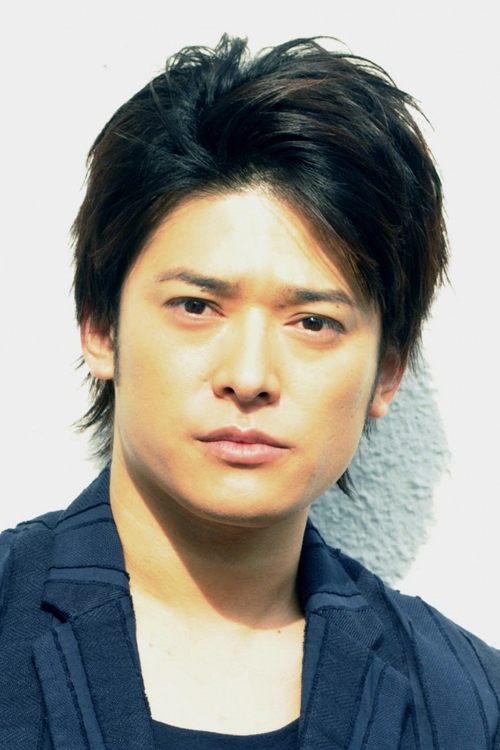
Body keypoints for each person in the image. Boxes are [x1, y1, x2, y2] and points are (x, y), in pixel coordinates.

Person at [0, 34, 498, 750]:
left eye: (314, 322)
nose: (250, 376)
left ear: (387, 373)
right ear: (101, 327)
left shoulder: (468, 708)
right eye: (197, 306)